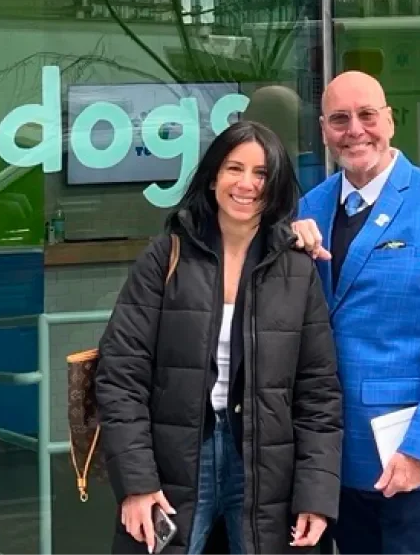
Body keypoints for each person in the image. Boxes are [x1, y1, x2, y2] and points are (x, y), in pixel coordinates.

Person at [96, 120, 343, 555]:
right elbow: (120, 376)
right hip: (177, 459)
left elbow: (318, 394)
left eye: (261, 173)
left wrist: (316, 497)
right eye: (234, 168)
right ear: (213, 177)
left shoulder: (296, 269)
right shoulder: (166, 256)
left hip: (267, 466)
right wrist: (136, 483)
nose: (246, 184)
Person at [292, 71, 420, 555]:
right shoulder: (308, 210)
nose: (354, 130)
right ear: (323, 130)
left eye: (367, 116)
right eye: (340, 119)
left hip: (411, 460)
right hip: (331, 458)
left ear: (390, 121)